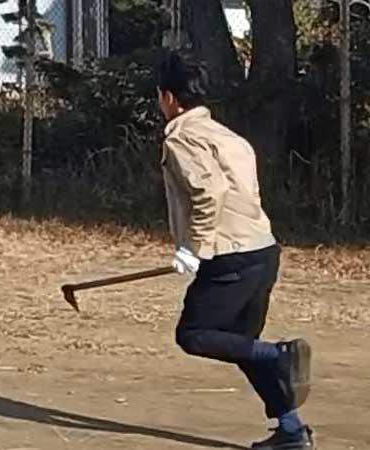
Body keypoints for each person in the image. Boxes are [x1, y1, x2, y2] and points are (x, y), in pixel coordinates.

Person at [155, 47, 314, 450]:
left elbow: (210, 191)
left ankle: (280, 354)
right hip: (262, 250)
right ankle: (292, 430)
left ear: (169, 97)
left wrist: (194, 247)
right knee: (243, 347)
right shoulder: (225, 135)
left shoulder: (183, 137)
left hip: (232, 256)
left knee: (194, 334)